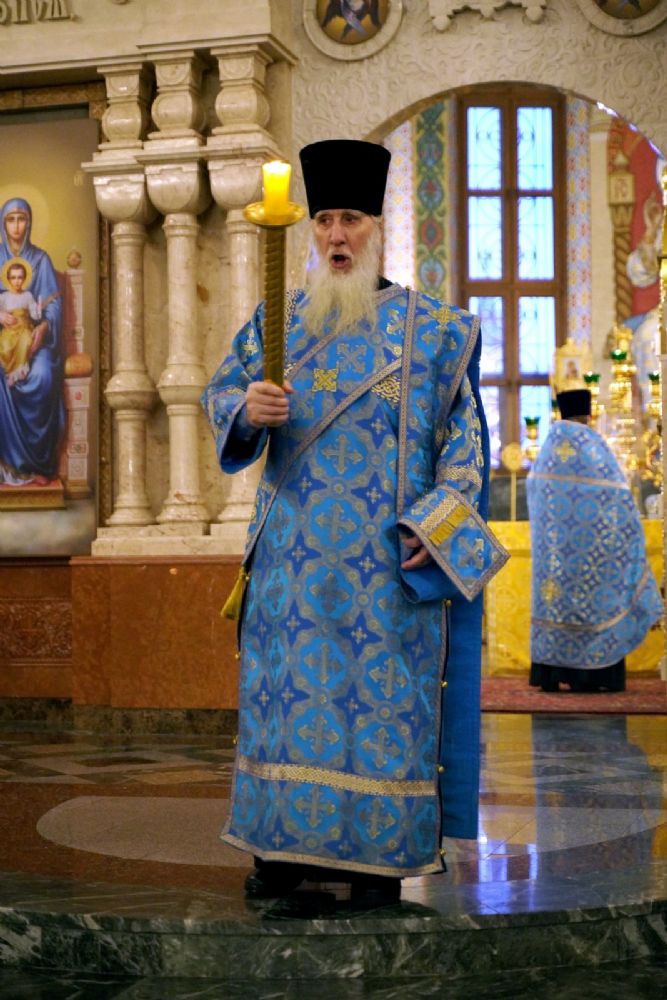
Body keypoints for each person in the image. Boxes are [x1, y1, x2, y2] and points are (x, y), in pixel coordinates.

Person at [202, 139, 507, 906]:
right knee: (284, 710)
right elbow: (222, 395)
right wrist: (246, 409)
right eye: (325, 220)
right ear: (310, 230)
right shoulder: (275, 323)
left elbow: (467, 448)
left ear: (378, 226)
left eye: (353, 220)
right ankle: (278, 851)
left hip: (385, 576)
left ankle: (377, 857)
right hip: (291, 577)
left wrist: (434, 525)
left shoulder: (435, 332)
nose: (337, 235)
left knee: (383, 717)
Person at [527, 388, 662, 694]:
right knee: (596, 603)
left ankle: (551, 674)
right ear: (587, 415)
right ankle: (593, 677)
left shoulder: (547, 449)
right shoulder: (592, 445)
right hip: (592, 551)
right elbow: (618, 495)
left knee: (556, 604)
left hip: (555, 556)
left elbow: (535, 492)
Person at [0, 197, 65, 486]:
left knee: (42, 375)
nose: (16, 226)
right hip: (3, 341)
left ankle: (37, 464)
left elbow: (52, 306)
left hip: (35, 342)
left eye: (21, 219)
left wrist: (45, 327)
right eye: (10, 220)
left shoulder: (41, 260)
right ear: (3, 225)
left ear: (29, 222)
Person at [0, 260, 44, 387]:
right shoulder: (4, 297)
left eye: (20, 277)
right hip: (10, 330)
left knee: (26, 341)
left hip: (24, 328)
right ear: (8, 279)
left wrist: (39, 308)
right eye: (13, 277)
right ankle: (8, 373)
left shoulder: (28, 295)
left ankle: (17, 374)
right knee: (5, 346)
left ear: (24, 279)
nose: (17, 281)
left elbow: (35, 316)